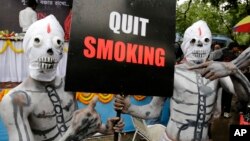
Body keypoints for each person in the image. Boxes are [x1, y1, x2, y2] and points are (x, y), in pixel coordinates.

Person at [114, 20, 249, 141]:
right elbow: (153, 110)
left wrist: (233, 70)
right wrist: (129, 108)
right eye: (193, 41)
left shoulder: (218, 73)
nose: (200, 45)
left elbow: (246, 98)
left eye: (206, 41)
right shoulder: (173, 74)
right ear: (185, 44)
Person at [0, 15, 124, 141]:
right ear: (27, 47)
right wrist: (73, 134)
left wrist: (103, 128)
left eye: (57, 42)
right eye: (38, 41)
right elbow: (73, 132)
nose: (50, 50)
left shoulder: (67, 84)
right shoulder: (15, 102)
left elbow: (71, 124)